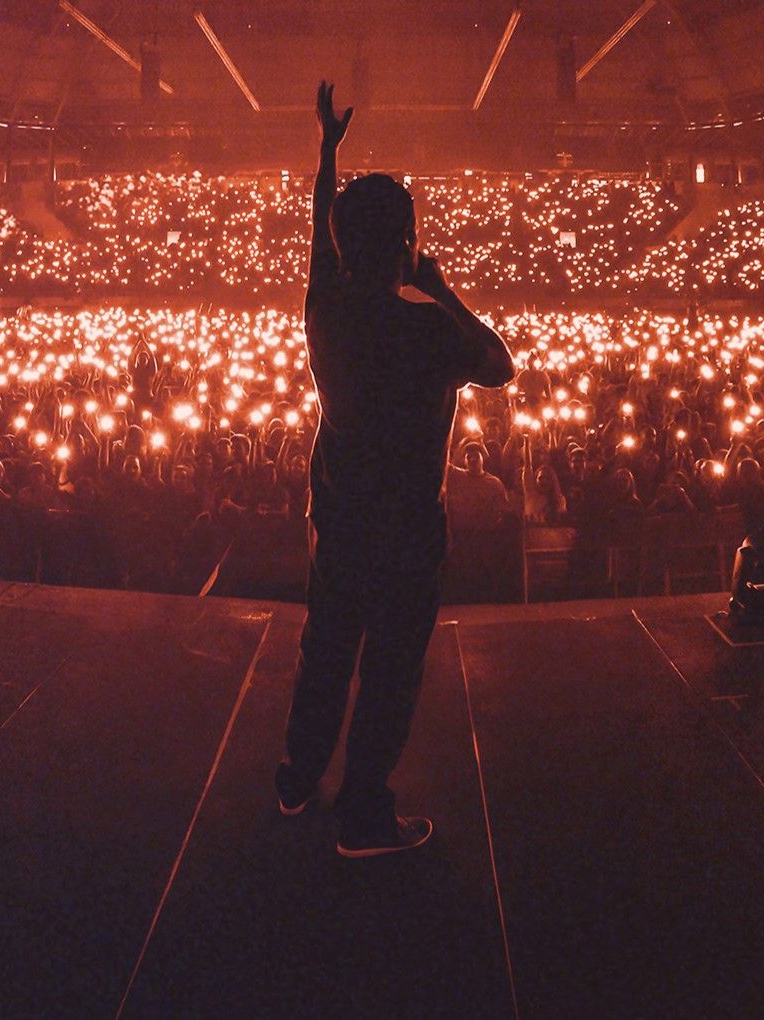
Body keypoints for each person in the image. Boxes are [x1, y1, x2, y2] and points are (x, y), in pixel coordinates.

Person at [275, 82, 515, 858]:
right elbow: (501, 366)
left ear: (343, 248)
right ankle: (363, 817)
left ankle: (296, 777)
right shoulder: (430, 331)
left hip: (339, 520)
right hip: (409, 531)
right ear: (407, 244)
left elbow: (318, 228)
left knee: (325, 649)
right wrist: (440, 287)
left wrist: (327, 153)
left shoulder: (325, 312)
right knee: (389, 672)